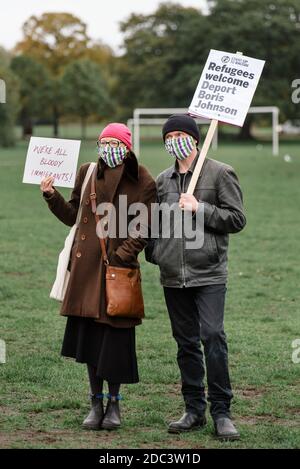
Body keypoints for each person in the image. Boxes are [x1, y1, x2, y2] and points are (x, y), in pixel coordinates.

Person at [40, 123, 156, 431]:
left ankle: (114, 405)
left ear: (126, 146)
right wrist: (51, 195)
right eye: (103, 141)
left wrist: (120, 257)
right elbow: (72, 216)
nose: (107, 147)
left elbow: (145, 227)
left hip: (119, 272)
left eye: (114, 142)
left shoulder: (143, 178)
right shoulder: (87, 171)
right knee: (90, 340)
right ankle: (95, 402)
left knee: (115, 340)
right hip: (86, 271)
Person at [145, 114, 246, 440]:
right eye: (170, 135)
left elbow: (237, 218)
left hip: (209, 274)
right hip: (173, 275)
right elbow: (156, 223)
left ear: (195, 138)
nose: (175, 139)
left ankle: (222, 412)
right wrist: (155, 252)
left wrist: (200, 207)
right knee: (185, 344)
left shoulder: (220, 173)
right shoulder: (163, 180)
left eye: (181, 134)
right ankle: (193, 409)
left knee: (213, 336)